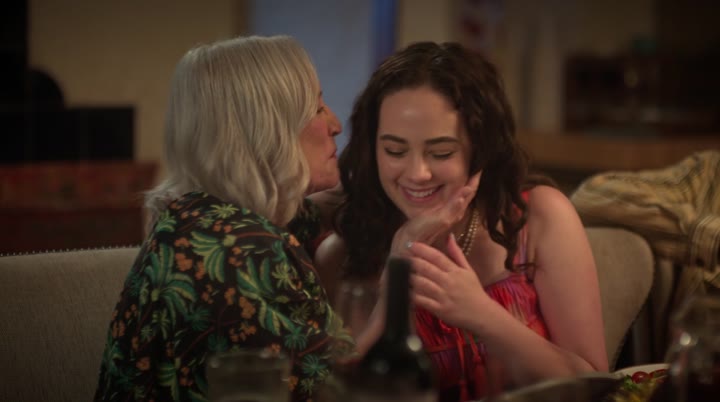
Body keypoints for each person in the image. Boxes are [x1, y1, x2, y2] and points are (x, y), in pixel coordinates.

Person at [92, 35, 477, 402]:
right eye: (317, 107)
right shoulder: (243, 255)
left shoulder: (200, 218)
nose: (335, 124)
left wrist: (391, 176)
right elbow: (347, 390)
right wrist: (402, 260)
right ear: (268, 129)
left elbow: (312, 212)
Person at [313, 41, 608, 401]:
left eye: (441, 152)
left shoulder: (540, 217)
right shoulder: (341, 254)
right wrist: (398, 270)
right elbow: (339, 392)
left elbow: (595, 384)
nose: (417, 173)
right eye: (395, 150)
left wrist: (481, 313)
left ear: (480, 148)